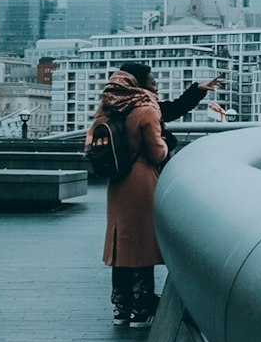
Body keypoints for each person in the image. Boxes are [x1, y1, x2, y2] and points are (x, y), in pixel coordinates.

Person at [86, 62, 219, 327]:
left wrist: (196, 92)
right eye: (152, 79)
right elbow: (157, 152)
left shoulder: (110, 108)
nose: (156, 83)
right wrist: (169, 142)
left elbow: (169, 109)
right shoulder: (145, 109)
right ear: (139, 83)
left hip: (117, 183)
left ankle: (121, 307)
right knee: (141, 243)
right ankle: (143, 305)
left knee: (121, 243)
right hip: (142, 180)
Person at [159, 76, 224, 156]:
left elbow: (177, 107)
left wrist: (197, 90)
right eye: (152, 84)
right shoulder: (148, 108)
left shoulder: (150, 106)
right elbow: (176, 108)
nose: (156, 89)